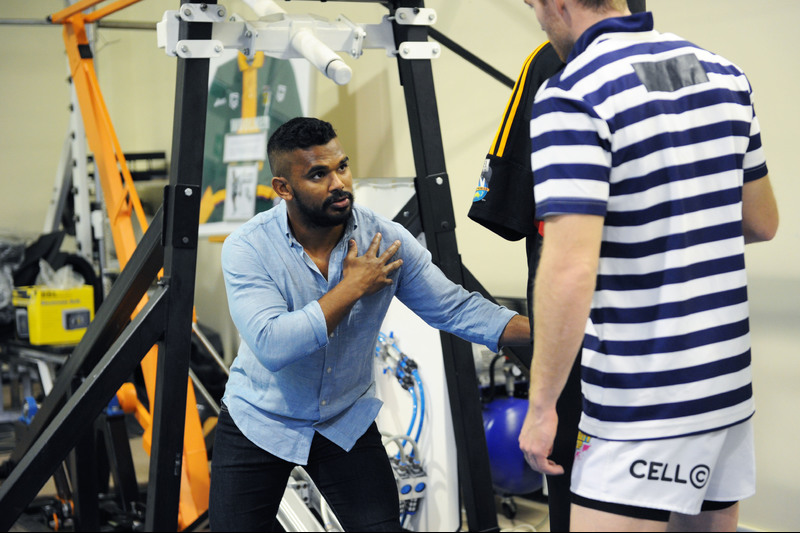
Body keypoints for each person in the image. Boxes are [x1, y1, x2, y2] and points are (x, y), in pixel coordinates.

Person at [517, 1, 779, 531]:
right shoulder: (723, 72)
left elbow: (570, 270)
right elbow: (761, 222)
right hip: (724, 390)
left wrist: (542, 408)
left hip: (642, 400)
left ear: (558, 3)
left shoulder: (572, 93)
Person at [209, 116, 531, 531]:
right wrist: (352, 287)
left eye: (341, 167)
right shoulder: (248, 247)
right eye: (318, 175)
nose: (338, 183)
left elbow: (456, 309)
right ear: (283, 188)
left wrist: (551, 328)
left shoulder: (385, 239)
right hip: (261, 419)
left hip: (345, 420)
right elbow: (273, 344)